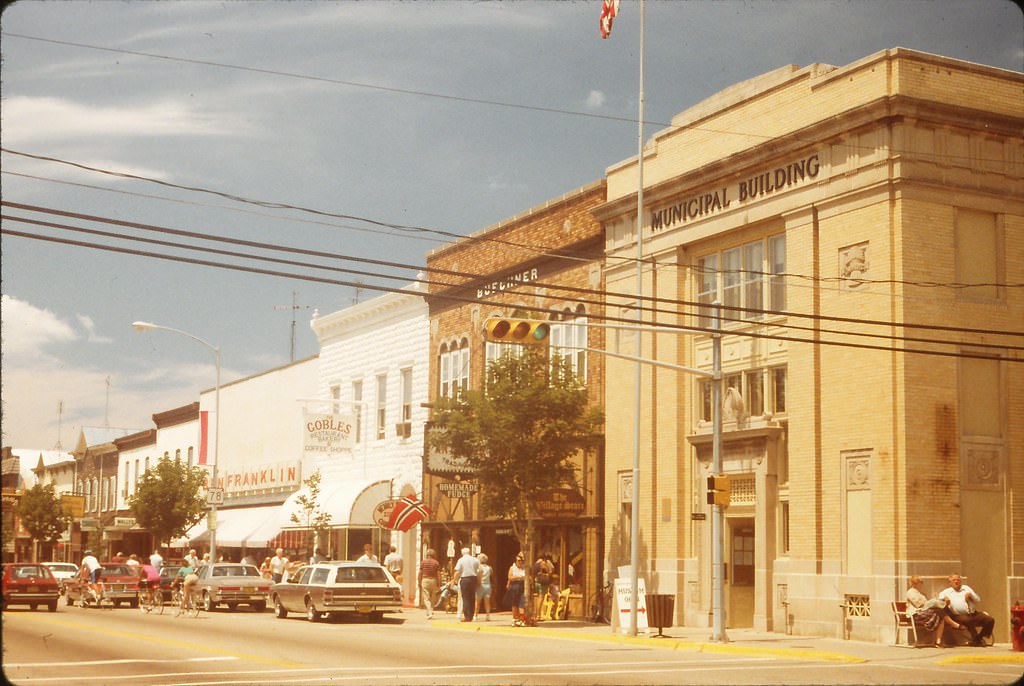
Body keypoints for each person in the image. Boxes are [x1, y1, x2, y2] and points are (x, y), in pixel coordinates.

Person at [938, 573, 995, 646]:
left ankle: (978, 638)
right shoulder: (946, 592)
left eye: (958, 580)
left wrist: (971, 596)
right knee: (968, 620)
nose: (956, 582)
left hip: (973, 613)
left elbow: (978, 599)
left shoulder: (966, 588)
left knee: (990, 620)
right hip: (958, 615)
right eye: (954, 580)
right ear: (950, 583)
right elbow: (939, 599)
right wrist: (945, 599)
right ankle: (977, 640)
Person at [905, 576, 961, 647]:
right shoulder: (910, 592)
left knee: (940, 614)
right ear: (915, 583)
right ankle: (953, 624)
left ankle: (938, 641)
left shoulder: (919, 593)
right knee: (939, 612)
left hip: (922, 613)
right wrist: (931, 602)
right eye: (920, 582)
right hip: (915, 615)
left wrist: (934, 600)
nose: (922, 584)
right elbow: (919, 605)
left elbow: (925, 604)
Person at [450, 547, 481, 623]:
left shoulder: (461, 560)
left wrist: (454, 581)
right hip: (473, 579)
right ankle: (471, 615)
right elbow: (479, 571)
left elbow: (457, 572)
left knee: (466, 598)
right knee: (472, 597)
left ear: (462, 553)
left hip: (465, 579)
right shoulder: (475, 560)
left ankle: (467, 617)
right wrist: (479, 581)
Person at [504, 553, 527, 626]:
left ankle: (522, 619)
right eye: (519, 560)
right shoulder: (512, 568)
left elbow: (528, 577)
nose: (520, 562)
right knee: (515, 603)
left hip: (522, 586)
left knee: (522, 603)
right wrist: (519, 577)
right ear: (516, 561)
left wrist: (520, 578)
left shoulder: (524, 568)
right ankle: (515, 619)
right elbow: (510, 577)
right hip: (515, 586)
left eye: (521, 560)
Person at [418, 548, 441, 619]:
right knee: (433, 597)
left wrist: (419, 581)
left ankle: (429, 611)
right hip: (433, 580)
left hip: (425, 579)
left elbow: (420, 573)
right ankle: (430, 610)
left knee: (426, 597)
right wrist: (439, 583)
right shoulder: (436, 563)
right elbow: (438, 574)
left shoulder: (423, 562)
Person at [475, 553, 492, 621]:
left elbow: (478, 576)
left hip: (480, 585)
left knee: (477, 602)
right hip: (488, 585)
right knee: (487, 602)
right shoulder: (489, 568)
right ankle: (488, 615)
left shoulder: (479, 568)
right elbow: (491, 575)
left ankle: (475, 615)